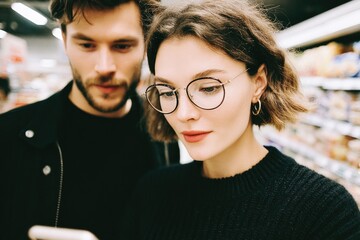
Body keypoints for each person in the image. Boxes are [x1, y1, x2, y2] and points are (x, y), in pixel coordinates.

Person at [122, 0, 360, 239]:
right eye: (167, 92)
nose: (183, 113)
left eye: (208, 88)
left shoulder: (324, 211)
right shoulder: (152, 194)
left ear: (258, 83)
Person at [0, 1, 179, 240]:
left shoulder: (164, 130)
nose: (104, 67)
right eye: (86, 44)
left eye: (122, 45)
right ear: (64, 41)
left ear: (145, 44)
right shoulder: (9, 137)